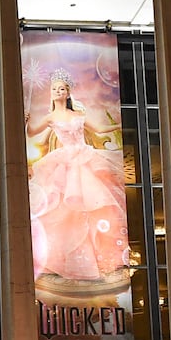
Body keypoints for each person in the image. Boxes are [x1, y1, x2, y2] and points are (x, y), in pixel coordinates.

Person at [26, 69, 128, 284]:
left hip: (84, 158)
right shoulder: (51, 117)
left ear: (68, 92)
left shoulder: (78, 115)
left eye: (61, 89)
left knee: (93, 207)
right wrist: (25, 121)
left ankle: (98, 260)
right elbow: (32, 132)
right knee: (65, 211)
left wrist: (119, 124)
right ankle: (67, 259)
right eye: (54, 89)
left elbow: (99, 130)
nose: (57, 92)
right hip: (65, 161)